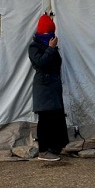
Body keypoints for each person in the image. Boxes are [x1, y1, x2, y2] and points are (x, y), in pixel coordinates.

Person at [28, 14, 69, 161]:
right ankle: (43, 150)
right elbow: (40, 63)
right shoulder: (34, 46)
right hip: (43, 87)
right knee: (45, 118)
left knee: (56, 117)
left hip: (53, 87)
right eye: (47, 33)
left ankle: (54, 146)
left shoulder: (50, 45)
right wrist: (51, 49)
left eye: (51, 32)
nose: (50, 36)